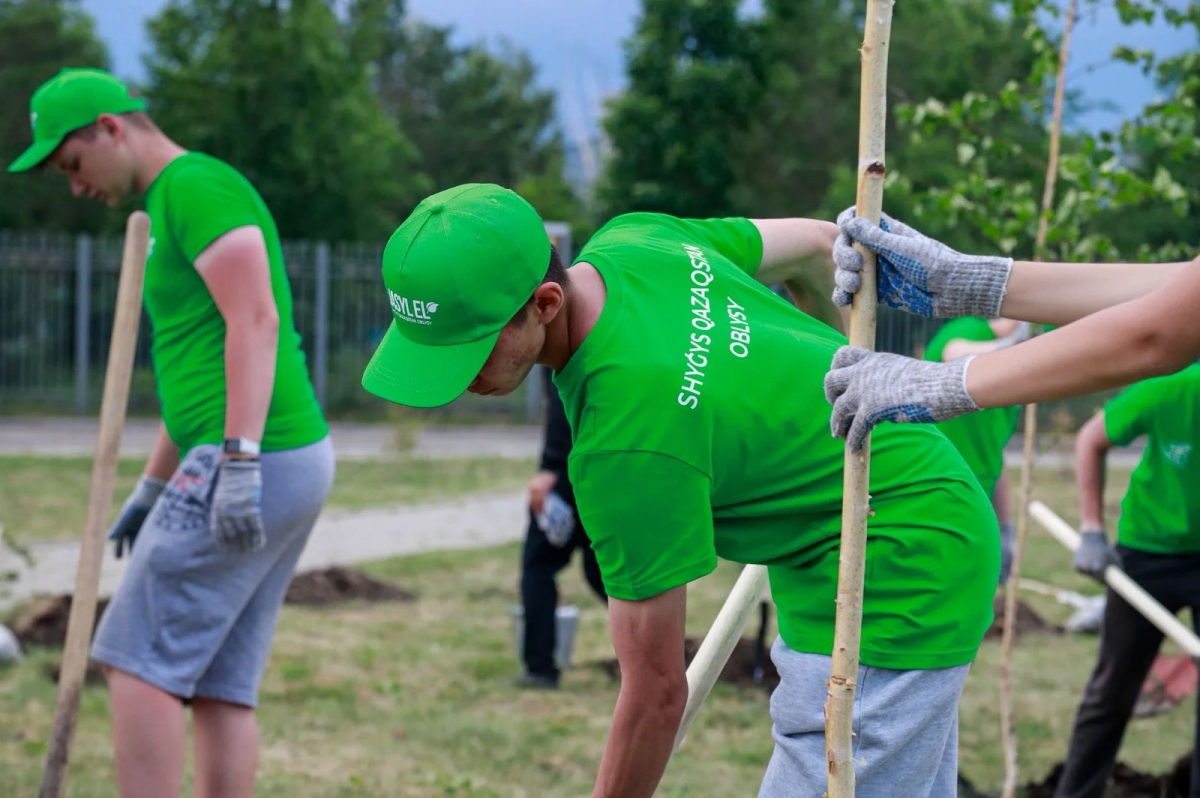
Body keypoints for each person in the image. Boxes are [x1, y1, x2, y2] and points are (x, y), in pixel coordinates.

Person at [361, 182, 999, 797]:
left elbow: (656, 693)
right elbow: (815, 243)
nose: (457, 379)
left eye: (469, 348)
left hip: (897, 563)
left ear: (546, 304)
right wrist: (842, 367)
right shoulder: (636, 240)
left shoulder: (624, 445)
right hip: (886, 516)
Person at [9, 68, 333, 798]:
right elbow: (202, 370)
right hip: (277, 454)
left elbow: (256, 320)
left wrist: (239, 459)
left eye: (72, 164)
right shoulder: (173, 201)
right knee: (221, 682)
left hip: (253, 453)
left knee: (133, 660)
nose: (75, 185)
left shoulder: (195, 189)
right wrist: (154, 484)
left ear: (110, 128)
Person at [822, 208, 1200, 447]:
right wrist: (970, 280)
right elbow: (1179, 295)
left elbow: (1160, 333)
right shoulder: (969, 332)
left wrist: (939, 384)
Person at [1056, 364, 1200, 797]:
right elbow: (1090, 439)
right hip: (1148, 554)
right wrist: (1092, 531)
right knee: (1112, 690)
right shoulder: (1171, 389)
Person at [518, 366, 608, 689]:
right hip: (605, 468)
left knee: (538, 566)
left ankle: (540, 669)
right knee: (602, 570)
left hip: (568, 471)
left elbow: (563, 397)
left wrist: (551, 467)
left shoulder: (561, 324)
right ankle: (659, 647)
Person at [923, 317, 1031, 583]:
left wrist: (1005, 527)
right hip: (941, 497)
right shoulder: (972, 329)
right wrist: (1018, 348)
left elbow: (996, 456)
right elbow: (954, 353)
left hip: (977, 498)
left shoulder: (1013, 380)